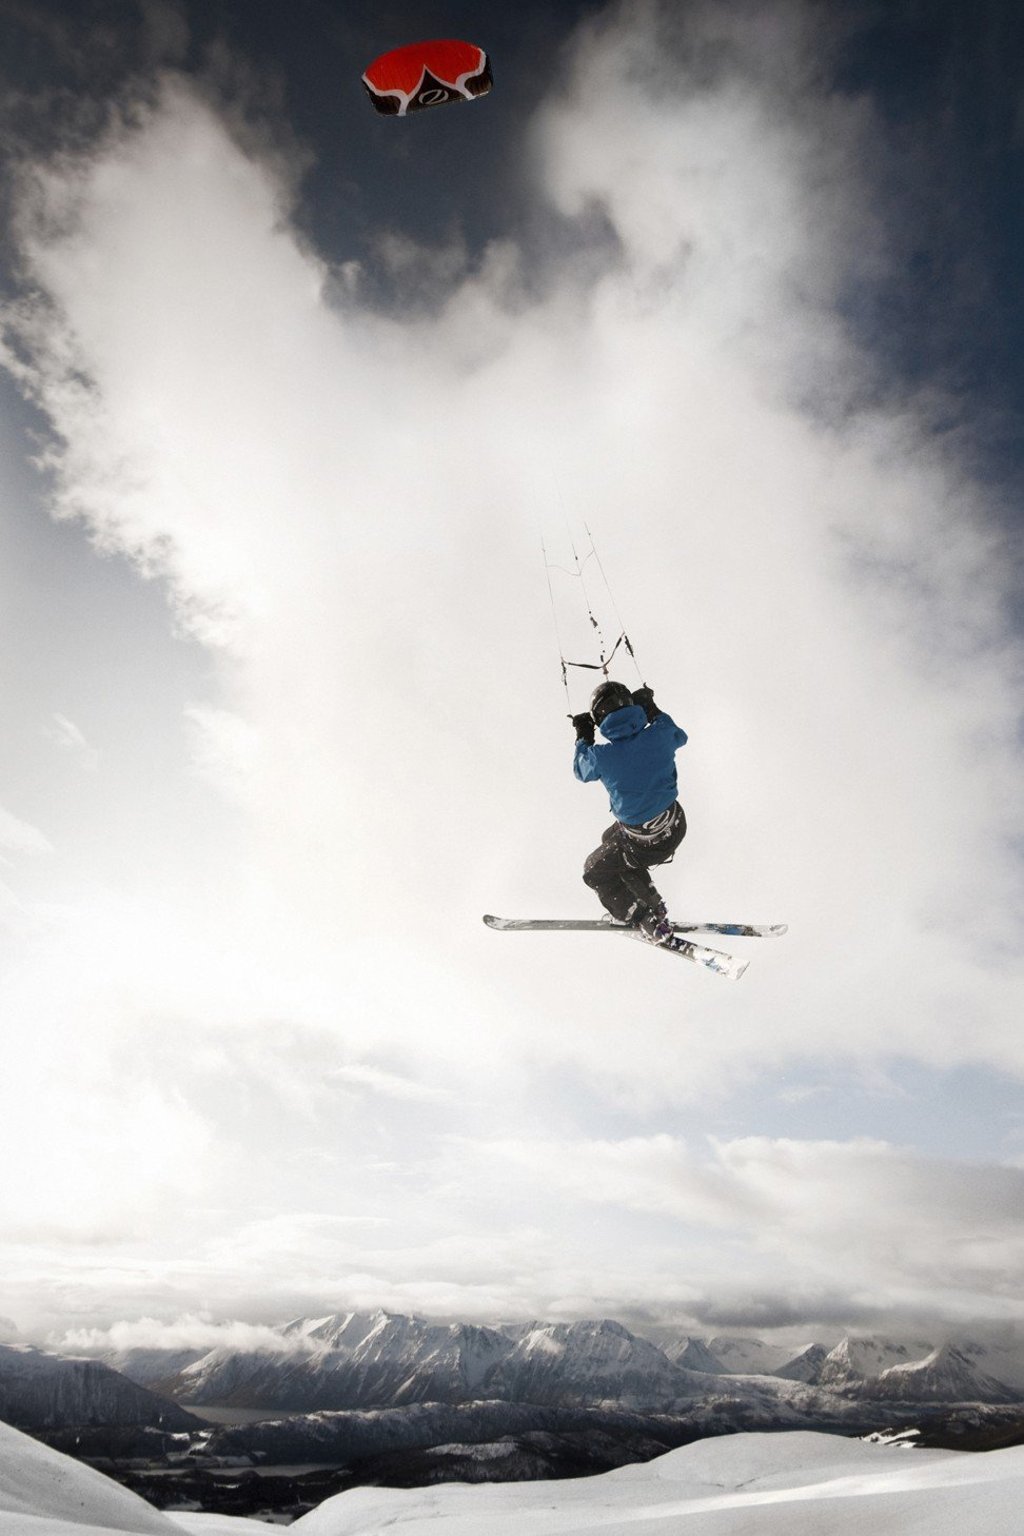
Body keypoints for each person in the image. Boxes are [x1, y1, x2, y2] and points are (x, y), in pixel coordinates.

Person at [571, 680, 688, 942]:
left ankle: (640, 916)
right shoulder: (659, 734)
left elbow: (581, 769)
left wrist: (583, 736)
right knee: (608, 840)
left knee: (594, 870)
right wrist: (652, 709)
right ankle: (651, 900)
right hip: (675, 824)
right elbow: (678, 734)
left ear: (600, 719)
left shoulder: (602, 756)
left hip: (645, 844)